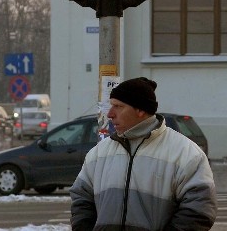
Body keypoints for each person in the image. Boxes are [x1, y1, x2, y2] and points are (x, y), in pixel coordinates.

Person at [70, 77, 217, 230]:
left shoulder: (185, 153)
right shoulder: (99, 152)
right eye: (110, 105)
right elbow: (81, 199)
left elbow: (200, 209)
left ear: (140, 110)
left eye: (118, 106)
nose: (110, 114)